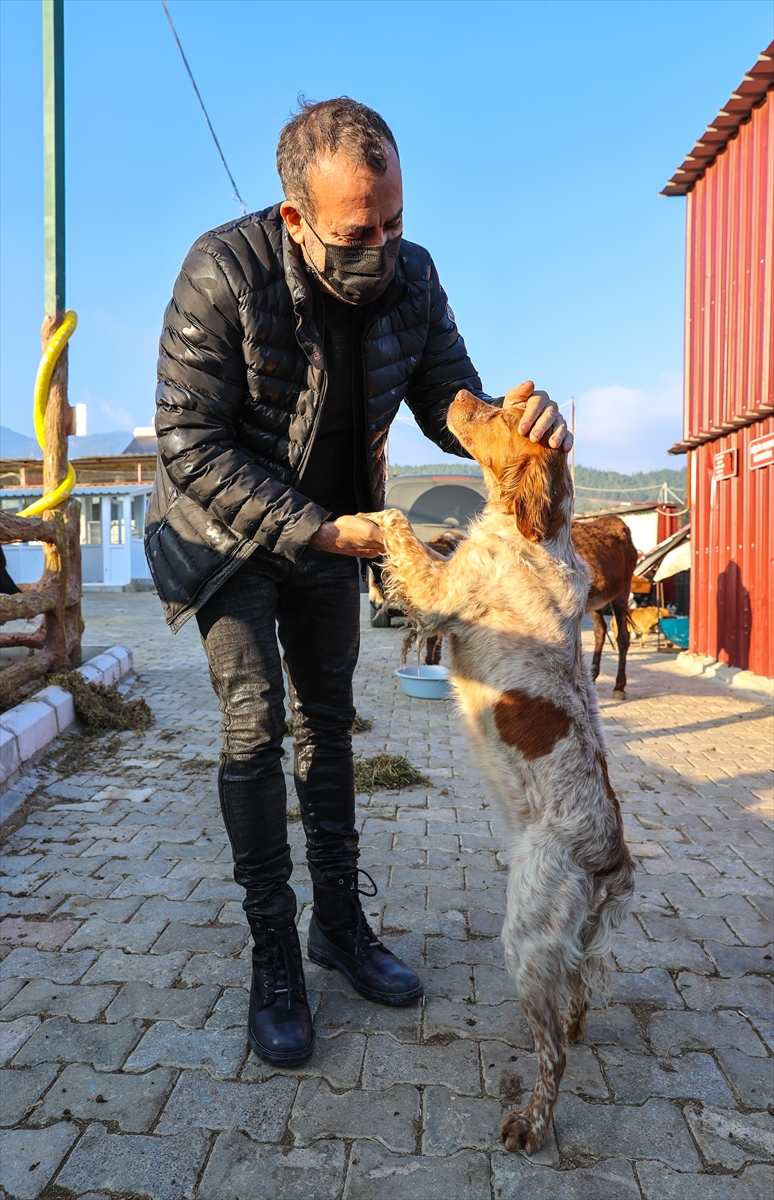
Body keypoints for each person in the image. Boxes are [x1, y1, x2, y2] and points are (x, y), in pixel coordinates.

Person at [145, 98, 571, 1065]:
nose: (381, 246)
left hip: (343, 530)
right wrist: (314, 525)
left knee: (329, 721)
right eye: (356, 231)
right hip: (226, 532)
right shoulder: (222, 273)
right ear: (295, 218)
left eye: (395, 222)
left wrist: (521, 425)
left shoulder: (412, 276)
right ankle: (273, 953)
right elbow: (189, 441)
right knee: (256, 724)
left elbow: (446, 396)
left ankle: (337, 926)